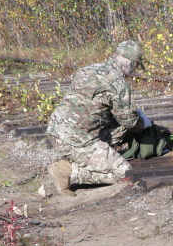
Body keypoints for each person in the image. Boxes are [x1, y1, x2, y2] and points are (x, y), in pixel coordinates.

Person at [45, 41, 152, 197]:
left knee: (117, 126)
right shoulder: (119, 83)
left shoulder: (88, 69)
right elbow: (130, 122)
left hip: (56, 130)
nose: (134, 70)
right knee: (125, 173)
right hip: (76, 141)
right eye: (135, 66)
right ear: (130, 63)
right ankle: (66, 171)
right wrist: (142, 122)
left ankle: (86, 157)